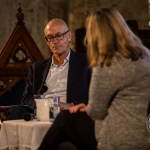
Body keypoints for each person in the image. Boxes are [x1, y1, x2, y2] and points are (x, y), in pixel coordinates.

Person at [38, 8, 150, 150]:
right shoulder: (146, 55)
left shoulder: (108, 62)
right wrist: (88, 107)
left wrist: (87, 108)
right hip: (145, 132)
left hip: (120, 136)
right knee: (63, 144)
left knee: (64, 119)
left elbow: (97, 112)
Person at [7, 18, 91, 120]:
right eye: (50, 37)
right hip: (41, 113)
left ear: (69, 36)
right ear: (47, 41)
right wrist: (45, 105)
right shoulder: (37, 68)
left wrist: (71, 105)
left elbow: (96, 96)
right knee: (16, 110)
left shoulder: (86, 62)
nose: (55, 41)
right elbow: (26, 99)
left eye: (59, 36)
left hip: (70, 114)